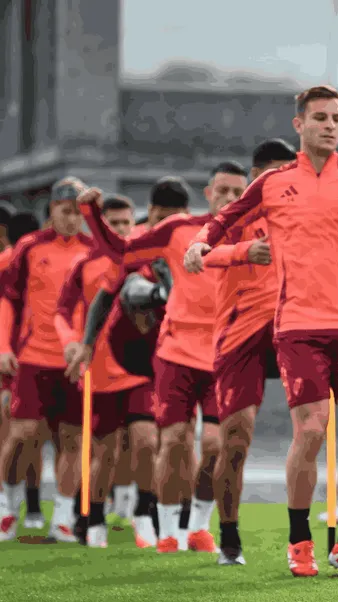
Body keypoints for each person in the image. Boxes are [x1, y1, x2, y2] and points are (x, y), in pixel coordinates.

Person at [183, 85, 338, 578]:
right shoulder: (272, 183)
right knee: (310, 431)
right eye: (321, 118)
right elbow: (223, 221)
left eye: (337, 118)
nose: (331, 126)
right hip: (299, 327)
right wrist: (200, 244)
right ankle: (299, 540)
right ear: (299, 125)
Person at [76, 175, 222, 555]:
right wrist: (87, 343)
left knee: (168, 441)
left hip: (183, 355)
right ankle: (95, 518)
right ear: (154, 215)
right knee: (114, 448)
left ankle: (162, 516)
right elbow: (110, 294)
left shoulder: (200, 239)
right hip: (134, 357)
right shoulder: (146, 243)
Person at [207, 139, 296, 566]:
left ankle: (319, 535)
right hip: (240, 336)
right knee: (236, 439)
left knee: (320, 425)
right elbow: (203, 252)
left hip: (291, 328)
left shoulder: (302, 214)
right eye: (276, 174)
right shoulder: (238, 211)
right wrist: (244, 250)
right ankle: (229, 535)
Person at [53, 194, 158, 548]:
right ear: (100, 227)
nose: (122, 230)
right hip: (99, 371)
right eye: (114, 224)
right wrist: (71, 342)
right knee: (106, 453)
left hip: (141, 369)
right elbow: (62, 312)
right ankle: (93, 518)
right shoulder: (84, 264)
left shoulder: (145, 263)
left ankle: (145, 514)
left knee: (146, 441)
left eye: (127, 223)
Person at [0, 178, 93, 543]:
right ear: (51, 210)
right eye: (64, 210)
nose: (71, 218)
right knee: (23, 435)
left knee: (71, 439)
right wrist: (4, 347)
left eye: (78, 212)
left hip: (75, 363)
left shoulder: (94, 250)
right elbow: (7, 299)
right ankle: (6, 505)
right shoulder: (28, 247)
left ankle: (64, 517)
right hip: (34, 356)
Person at [0, 210, 42, 530]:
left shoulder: (12, 261)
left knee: (19, 434)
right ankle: (27, 504)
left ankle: (12, 505)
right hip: (18, 357)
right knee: (27, 435)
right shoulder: (13, 263)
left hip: (22, 358)